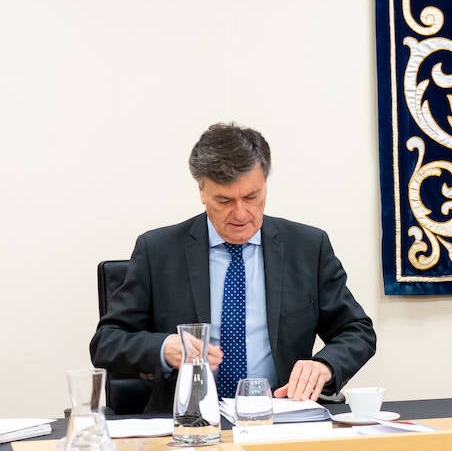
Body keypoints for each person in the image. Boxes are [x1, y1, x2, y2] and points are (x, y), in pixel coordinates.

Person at [90, 123, 376, 412]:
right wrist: (164, 348)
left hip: (280, 417)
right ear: (202, 191)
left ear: (265, 183)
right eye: (225, 200)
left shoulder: (307, 248)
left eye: (251, 197)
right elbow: (106, 342)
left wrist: (324, 365)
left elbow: (357, 331)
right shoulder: (159, 251)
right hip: (187, 422)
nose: (241, 214)